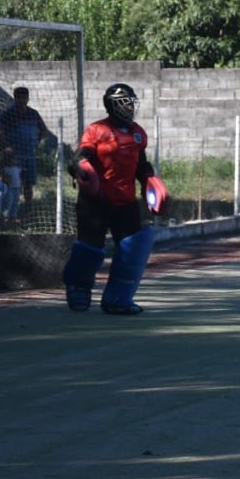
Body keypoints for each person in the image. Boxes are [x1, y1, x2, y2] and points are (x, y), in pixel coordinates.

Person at [61, 83, 169, 315]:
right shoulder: (97, 130)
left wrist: (149, 179)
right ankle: (78, 287)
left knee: (131, 248)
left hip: (126, 201)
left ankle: (118, 298)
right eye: (125, 102)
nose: (130, 106)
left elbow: (140, 164)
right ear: (112, 104)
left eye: (132, 102)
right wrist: (80, 167)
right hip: (96, 201)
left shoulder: (138, 132)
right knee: (90, 247)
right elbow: (80, 157)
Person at [0, 86, 56, 208]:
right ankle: (9, 207)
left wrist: (36, 142)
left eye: (25, 97)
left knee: (28, 183)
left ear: (28, 98)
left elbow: (43, 129)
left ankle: (28, 206)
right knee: (12, 182)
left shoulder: (33, 114)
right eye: (19, 98)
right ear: (15, 98)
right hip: (14, 154)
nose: (22, 100)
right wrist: (8, 146)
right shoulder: (9, 114)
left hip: (29, 153)